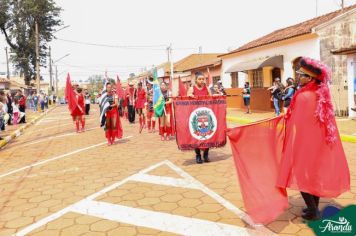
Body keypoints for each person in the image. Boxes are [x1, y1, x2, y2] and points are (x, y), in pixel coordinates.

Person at [277, 57, 350, 221]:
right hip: (320, 144)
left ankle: (313, 211)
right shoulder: (320, 94)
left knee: (302, 176)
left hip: (306, 144)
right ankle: (313, 209)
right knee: (314, 176)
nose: (298, 76)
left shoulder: (303, 97)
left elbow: (296, 122)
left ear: (309, 78)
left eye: (301, 74)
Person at [188, 71, 212, 164]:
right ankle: (198, 155)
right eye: (200, 79)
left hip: (206, 114)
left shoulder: (207, 88)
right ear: (196, 80)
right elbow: (186, 100)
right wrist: (189, 96)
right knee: (196, 136)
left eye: (203, 79)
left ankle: (206, 154)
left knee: (208, 135)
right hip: (195, 115)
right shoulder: (191, 88)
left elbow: (211, 99)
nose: (202, 81)